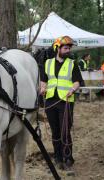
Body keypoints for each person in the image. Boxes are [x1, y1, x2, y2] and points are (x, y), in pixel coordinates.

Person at [40, 36, 84, 170]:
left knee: (65, 132)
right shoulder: (47, 63)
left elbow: (77, 82)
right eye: (65, 48)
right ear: (57, 48)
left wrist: (72, 89)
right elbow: (44, 81)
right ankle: (58, 158)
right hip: (51, 101)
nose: (68, 50)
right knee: (55, 132)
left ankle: (68, 158)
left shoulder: (72, 63)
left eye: (69, 48)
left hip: (65, 101)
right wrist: (42, 88)